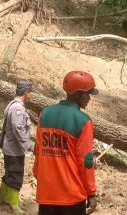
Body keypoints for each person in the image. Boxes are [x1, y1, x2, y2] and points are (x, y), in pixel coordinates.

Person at [33, 71, 98, 215]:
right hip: (71, 196)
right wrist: (91, 193)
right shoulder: (83, 121)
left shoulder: (45, 114)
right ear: (78, 95)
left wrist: (41, 177)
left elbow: (38, 151)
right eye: (88, 94)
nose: (89, 99)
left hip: (46, 194)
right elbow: (85, 162)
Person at [0, 80, 34, 214]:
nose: (31, 95)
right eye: (30, 93)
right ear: (26, 92)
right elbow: (18, 129)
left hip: (10, 147)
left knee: (9, 173)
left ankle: (2, 199)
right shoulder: (18, 108)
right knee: (16, 175)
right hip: (14, 149)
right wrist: (29, 145)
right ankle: (14, 205)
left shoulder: (12, 104)